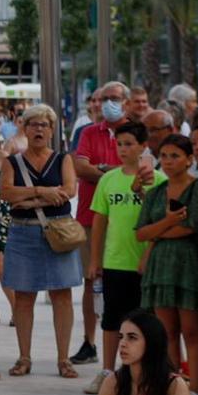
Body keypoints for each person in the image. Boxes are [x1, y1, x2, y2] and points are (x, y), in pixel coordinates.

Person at [0, 102, 81, 378]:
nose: (38, 129)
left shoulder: (63, 159)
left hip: (57, 232)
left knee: (62, 295)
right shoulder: (13, 161)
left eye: (44, 125)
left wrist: (28, 197)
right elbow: (7, 193)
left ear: (52, 130)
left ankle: (63, 359)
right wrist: (42, 192)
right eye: (33, 124)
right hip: (23, 233)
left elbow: (69, 190)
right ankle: (24, 357)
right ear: (24, 128)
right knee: (23, 296)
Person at [135, 132, 198, 395]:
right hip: (161, 266)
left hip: (190, 266)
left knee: (192, 330)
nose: (168, 162)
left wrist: (159, 231)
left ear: (189, 159)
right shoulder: (157, 191)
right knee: (166, 332)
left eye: (175, 156)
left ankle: (196, 390)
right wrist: (167, 223)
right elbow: (142, 232)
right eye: (164, 156)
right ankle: (172, 387)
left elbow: (196, 225)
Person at [85, 122, 152, 395]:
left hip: (144, 264)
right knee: (112, 320)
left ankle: (143, 374)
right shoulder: (108, 180)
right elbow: (99, 222)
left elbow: (158, 219)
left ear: (143, 146)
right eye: (120, 144)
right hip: (114, 261)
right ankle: (107, 372)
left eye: (129, 144)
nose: (123, 149)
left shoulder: (157, 180)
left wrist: (148, 255)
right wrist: (94, 259)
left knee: (144, 320)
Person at [71, 81, 131, 363]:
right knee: (90, 280)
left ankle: (127, 341)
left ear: (126, 102)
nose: (107, 103)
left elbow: (138, 170)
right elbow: (79, 167)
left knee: (127, 283)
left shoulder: (134, 132)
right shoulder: (88, 133)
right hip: (90, 217)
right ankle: (89, 341)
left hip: (127, 221)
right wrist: (115, 172)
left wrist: (101, 171)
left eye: (114, 98)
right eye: (103, 98)